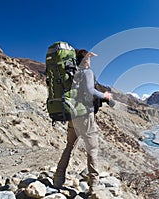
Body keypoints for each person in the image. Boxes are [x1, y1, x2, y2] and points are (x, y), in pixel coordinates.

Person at [53, 49, 112, 195]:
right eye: (89, 58)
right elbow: (90, 90)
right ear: (86, 59)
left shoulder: (72, 74)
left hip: (73, 115)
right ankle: (94, 185)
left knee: (69, 147)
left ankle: (58, 179)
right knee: (92, 149)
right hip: (85, 115)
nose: (90, 61)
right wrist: (104, 95)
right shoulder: (87, 72)